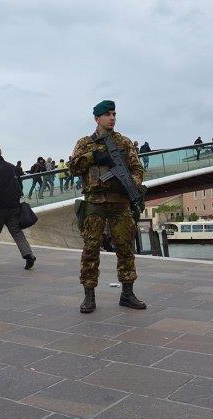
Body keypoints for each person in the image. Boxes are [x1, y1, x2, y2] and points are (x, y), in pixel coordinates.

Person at [69, 100, 146, 314]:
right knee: (91, 249)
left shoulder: (124, 142)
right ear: (97, 118)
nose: (112, 117)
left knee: (125, 248)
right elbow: (73, 168)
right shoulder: (85, 143)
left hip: (120, 203)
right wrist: (93, 156)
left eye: (114, 114)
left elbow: (137, 168)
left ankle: (127, 293)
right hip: (95, 203)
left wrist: (131, 183)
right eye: (107, 114)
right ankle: (89, 295)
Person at [0, 145, 36, 270]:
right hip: (14, 206)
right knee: (17, 232)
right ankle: (28, 255)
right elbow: (19, 184)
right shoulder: (11, 167)